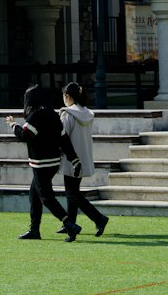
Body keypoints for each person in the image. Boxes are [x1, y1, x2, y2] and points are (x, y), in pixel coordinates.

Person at [6, 84, 81, 240]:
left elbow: (24, 135)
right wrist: (74, 160)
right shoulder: (53, 114)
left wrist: (13, 125)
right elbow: (64, 140)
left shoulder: (35, 116)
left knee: (46, 197)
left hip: (41, 164)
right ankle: (34, 229)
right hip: (53, 163)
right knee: (34, 194)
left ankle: (69, 224)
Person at [59, 82, 109, 240]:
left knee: (72, 193)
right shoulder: (87, 113)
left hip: (71, 158)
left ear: (68, 96)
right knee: (73, 192)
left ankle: (98, 218)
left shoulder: (67, 114)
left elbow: (62, 136)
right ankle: (70, 223)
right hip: (83, 157)